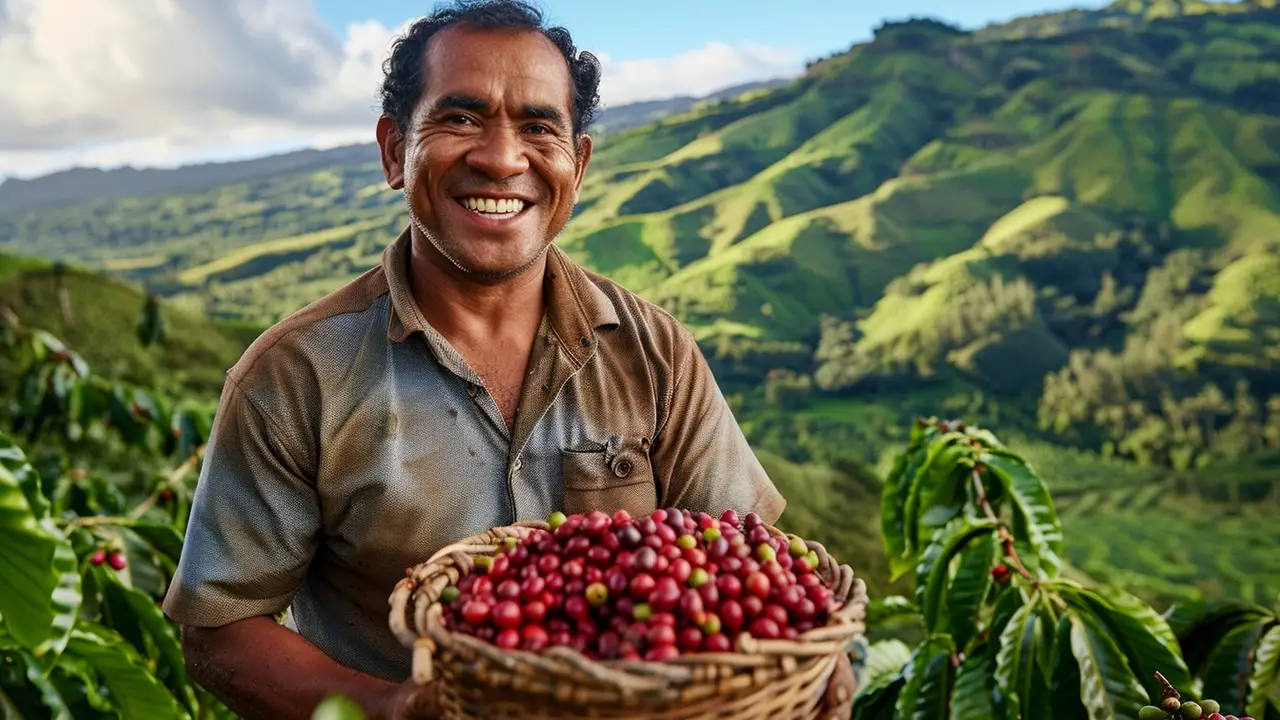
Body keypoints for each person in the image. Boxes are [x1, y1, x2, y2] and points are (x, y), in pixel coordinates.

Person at [162, 1, 856, 718]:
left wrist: (817, 668)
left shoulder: (655, 353)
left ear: (577, 166)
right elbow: (220, 629)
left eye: (538, 126)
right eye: (460, 118)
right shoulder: (296, 375)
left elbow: (754, 570)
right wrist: (398, 708)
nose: (500, 157)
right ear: (394, 149)